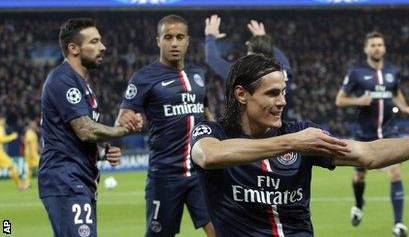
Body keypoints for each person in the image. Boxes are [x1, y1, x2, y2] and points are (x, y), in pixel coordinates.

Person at [189, 54, 409, 236]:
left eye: (283, 93)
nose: (282, 102)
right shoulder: (213, 132)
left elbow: (368, 153)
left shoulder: (305, 135)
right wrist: (291, 143)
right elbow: (208, 155)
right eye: (272, 94)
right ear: (242, 94)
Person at [39, 18, 142, 236]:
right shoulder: (62, 79)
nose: (102, 47)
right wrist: (124, 130)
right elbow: (85, 130)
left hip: (79, 181)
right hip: (66, 179)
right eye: (94, 42)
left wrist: (103, 151)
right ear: (73, 49)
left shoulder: (82, 85)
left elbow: (74, 136)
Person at [117, 15, 215, 237]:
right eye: (168, 37)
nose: (174, 43)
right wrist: (130, 120)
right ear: (158, 41)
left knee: (221, 230)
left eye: (180, 37)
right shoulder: (143, 77)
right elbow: (123, 116)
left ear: (188, 41)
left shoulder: (198, 75)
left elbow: (207, 112)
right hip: (165, 176)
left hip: (200, 174)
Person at [334, 31, 409, 236]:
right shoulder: (356, 72)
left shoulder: (393, 71)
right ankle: (359, 204)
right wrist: (358, 101)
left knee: (395, 171)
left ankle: (399, 224)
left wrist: (404, 107)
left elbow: (396, 93)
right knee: (360, 176)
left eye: (380, 44)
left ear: (384, 48)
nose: (377, 48)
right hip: (365, 134)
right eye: (373, 45)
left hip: (389, 132)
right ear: (366, 49)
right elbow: (340, 100)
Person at [204, 14, 296, 120]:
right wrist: (263, 39)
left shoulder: (244, 74)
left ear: (251, 54)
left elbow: (211, 58)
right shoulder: (283, 70)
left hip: (258, 131)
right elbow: (279, 56)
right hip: (283, 126)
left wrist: (210, 37)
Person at [0, 113, 21, 190]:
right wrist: (12, 136)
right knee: (11, 166)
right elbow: (1, 139)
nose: (3, 121)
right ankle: (19, 186)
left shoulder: (2, 127)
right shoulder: (0, 128)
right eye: (2, 119)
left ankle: (19, 186)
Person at [20, 119, 41, 190]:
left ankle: (27, 183)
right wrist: (31, 153)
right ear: (31, 125)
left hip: (33, 153)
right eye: (34, 124)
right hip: (30, 154)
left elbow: (36, 144)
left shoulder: (33, 133)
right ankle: (27, 184)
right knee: (41, 165)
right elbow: (28, 143)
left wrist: (40, 150)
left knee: (30, 169)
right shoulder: (29, 132)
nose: (35, 125)